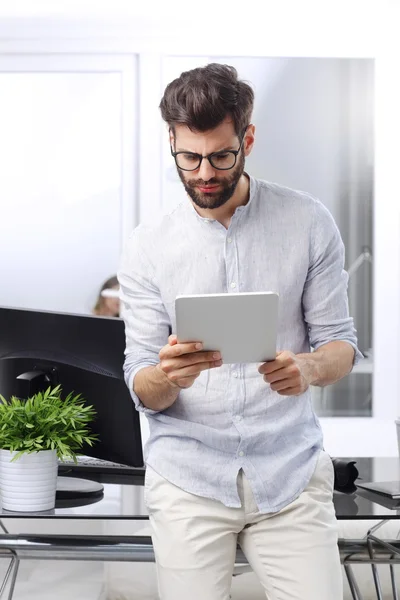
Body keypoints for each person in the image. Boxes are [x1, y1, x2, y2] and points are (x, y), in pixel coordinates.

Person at [118, 63, 362, 600]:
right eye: (189, 157)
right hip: (188, 479)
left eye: (221, 155)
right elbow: (139, 379)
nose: (204, 172)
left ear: (247, 139)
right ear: (172, 144)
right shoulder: (147, 246)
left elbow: (342, 343)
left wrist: (310, 368)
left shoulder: (308, 221)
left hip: (290, 474)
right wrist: (167, 376)